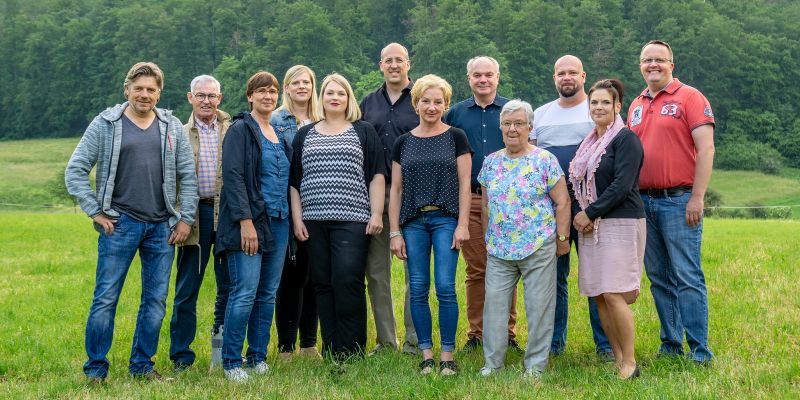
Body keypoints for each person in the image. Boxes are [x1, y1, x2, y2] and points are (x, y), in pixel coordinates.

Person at [65, 61, 197, 383]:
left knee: (154, 301)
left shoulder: (171, 126)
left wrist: (186, 218)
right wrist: (95, 211)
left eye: (151, 89)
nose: (145, 95)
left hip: (161, 228)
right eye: (138, 88)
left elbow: (187, 176)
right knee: (106, 298)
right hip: (119, 224)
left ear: (159, 93)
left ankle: (142, 366)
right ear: (127, 89)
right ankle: (96, 370)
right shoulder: (106, 123)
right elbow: (76, 169)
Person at [628, 40, 715, 364]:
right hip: (644, 202)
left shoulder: (690, 97)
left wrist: (697, 196)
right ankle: (670, 343)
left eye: (659, 60)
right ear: (640, 65)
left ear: (671, 65)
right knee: (659, 277)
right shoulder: (636, 103)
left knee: (687, 276)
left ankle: (700, 350)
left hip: (679, 201)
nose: (653, 65)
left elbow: (705, 149)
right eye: (647, 60)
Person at [289, 73, 386, 363]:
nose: (335, 97)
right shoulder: (305, 134)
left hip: (353, 219)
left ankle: (353, 349)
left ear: (348, 99)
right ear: (322, 97)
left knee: (347, 280)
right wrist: (297, 219)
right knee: (322, 283)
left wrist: (377, 213)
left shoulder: (363, 131)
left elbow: (377, 174)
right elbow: (295, 181)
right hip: (313, 220)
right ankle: (332, 348)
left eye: (340, 93)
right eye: (330, 92)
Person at [477, 99, 570, 378]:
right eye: (507, 123)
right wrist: (487, 238)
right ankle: (492, 364)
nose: (512, 129)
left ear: (530, 127)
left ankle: (535, 366)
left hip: (538, 244)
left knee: (539, 307)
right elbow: (484, 205)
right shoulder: (491, 162)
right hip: (500, 248)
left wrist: (562, 238)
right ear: (501, 127)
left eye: (519, 123)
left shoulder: (544, 160)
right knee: (494, 307)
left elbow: (562, 202)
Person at [388, 75, 471, 376]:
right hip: (413, 223)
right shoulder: (403, 142)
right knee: (419, 288)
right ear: (417, 103)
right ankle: (426, 354)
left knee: (446, 287)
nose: (431, 107)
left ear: (446, 104)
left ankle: (447, 355)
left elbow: (465, 184)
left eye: (438, 102)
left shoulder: (456, 137)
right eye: (426, 101)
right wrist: (395, 231)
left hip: (446, 220)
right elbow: (395, 190)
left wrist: (463, 224)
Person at [530, 55, 611, 358]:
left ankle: (605, 346)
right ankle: (553, 345)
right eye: (561, 73)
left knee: (595, 280)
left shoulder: (598, 109)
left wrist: (595, 208)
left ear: (583, 76)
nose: (567, 77)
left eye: (572, 73)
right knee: (554, 280)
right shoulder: (541, 114)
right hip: (552, 211)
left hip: (592, 209)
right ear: (554, 78)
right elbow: (533, 161)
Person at [215, 71, 292, 382]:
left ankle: (256, 356)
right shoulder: (240, 130)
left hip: (280, 221)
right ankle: (231, 361)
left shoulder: (277, 132)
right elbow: (233, 179)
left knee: (267, 293)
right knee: (244, 291)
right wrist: (245, 222)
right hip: (249, 224)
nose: (268, 96)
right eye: (261, 91)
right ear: (250, 96)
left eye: (272, 91)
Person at [444, 56, 520, 353]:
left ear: (498, 77)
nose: (483, 80)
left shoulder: (513, 111)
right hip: (472, 199)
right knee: (477, 269)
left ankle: (507, 335)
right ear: (469, 78)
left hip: (509, 201)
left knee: (507, 267)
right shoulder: (456, 114)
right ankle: (476, 334)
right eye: (477, 75)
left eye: (488, 74)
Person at [570, 79, 645, 379]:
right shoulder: (588, 143)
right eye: (594, 103)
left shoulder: (626, 140)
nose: (599, 107)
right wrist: (585, 214)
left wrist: (589, 212)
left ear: (617, 106)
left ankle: (630, 362)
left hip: (621, 222)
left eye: (605, 102)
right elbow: (579, 185)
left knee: (614, 292)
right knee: (599, 295)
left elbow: (622, 186)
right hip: (593, 226)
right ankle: (617, 359)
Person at [168, 74, 232, 371]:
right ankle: (181, 356)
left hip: (227, 214)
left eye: (212, 95)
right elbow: (171, 181)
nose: (206, 100)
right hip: (194, 217)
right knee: (187, 288)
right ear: (189, 97)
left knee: (229, 285)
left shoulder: (233, 130)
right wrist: (181, 215)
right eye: (200, 95)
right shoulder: (177, 133)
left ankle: (224, 353)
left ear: (220, 98)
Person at [360, 42, 420, 355]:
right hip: (374, 199)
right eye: (388, 61)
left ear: (408, 63)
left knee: (415, 274)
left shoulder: (421, 98)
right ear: (381, 65)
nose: (394, 65)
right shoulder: (367, 103)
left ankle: (413, 341)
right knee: (376, 272)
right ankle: (386, 340)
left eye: (399, 60)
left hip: (412, 198)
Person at [272, 65, 322, 360]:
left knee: (315, 278)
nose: (302, 86)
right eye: (296, 82)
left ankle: (310, 345)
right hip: (287, 206)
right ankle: (286, 347)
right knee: (292, 277)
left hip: (319, 206)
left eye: (307, 82)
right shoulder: (277, 120)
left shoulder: (322, 119)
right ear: (286, 88)